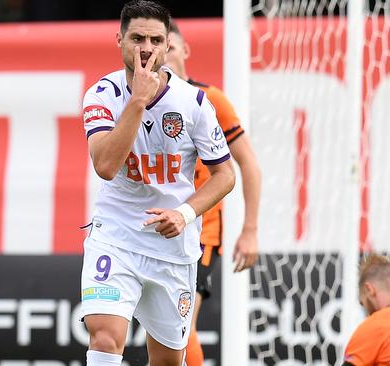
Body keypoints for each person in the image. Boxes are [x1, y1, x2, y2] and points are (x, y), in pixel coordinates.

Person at [79, 1, 235, 365]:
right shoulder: (102, 95)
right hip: (116, 236)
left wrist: (184, 213)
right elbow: (104, 165)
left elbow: (226, 175)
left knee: (167, 360)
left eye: (155, 39)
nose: (146, 48)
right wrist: (138, 102)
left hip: (172, 247)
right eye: (137, 38)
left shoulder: (195, 103)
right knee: (104, 339)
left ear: (168, 46)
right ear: (119, 40)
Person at [163, 19, 261, 366]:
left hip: (198, 232)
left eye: (170, 47)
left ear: (186, 51)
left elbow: (247, 163)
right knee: (160, 328)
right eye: (157, 49)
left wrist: (249, 230)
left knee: (180, 323)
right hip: (152, 231)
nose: (163, 56)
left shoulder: (209, 99)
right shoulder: (140, 103)